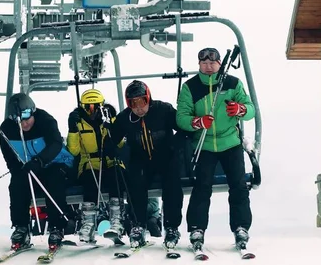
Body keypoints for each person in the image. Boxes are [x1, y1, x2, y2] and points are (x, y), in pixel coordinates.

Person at [176, 47, 255, 249]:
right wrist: (197, 122)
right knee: (202, 187)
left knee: (238, 186)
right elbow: (181, 117)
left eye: (212, 63)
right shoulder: (190, 87)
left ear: (220, 63)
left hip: (230, 141)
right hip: (204, 143)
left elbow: (250, 109)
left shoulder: (232, 84)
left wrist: (240, 109)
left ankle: (241, 227)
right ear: (199, 65)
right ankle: (196, 227)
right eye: (204, 63)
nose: (208, 66)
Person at [106, 80, 184, 249]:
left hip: (165, 156)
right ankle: (138, 225)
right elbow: (112, 140)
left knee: (172, 185)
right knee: (136, 184)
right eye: (133, 104)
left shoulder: (163, 109)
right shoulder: (125, 118)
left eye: (142, 102)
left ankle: (171, 226)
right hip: (140, 158)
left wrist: (176, 144)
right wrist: (110, 142)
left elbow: (182, 128)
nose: (139, 108)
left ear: (148, 99)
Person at [0, 93, 75, 250]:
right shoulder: (7, 129)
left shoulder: (45, 121)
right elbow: (10, 158)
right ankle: (21, 227)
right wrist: (17, 170)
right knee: (17, 183)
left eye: (27, 117)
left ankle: (57, 226)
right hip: (30, 168)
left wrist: (39, 161)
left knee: (55, 179)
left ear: (33, 111)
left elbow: (55, 144)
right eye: (19, 120)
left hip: (55, 163)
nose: (24, 124)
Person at [65, 89, 126, 244]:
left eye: (96, 106)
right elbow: (74, 150)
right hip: (90, 163)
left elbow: (120, 142)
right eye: (88, 107)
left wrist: (112, 131)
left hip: (110, 160)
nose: (92, 111)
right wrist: (72, 129)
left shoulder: (110, 118)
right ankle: (88, 223)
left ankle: (117, 221)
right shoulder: (78, 122)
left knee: (116, 176)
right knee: (89, 181)